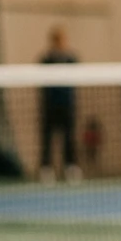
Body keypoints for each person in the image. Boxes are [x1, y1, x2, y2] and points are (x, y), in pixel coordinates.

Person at [38, 26, 81, 184]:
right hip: (50, 107)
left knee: (69, 139)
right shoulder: (46, 60)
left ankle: (71, 168)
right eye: (57, 39)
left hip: (67, 106)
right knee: (47, 140)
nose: (60, 42)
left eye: (62, 39)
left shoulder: (71, 59)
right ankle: (46, 169)